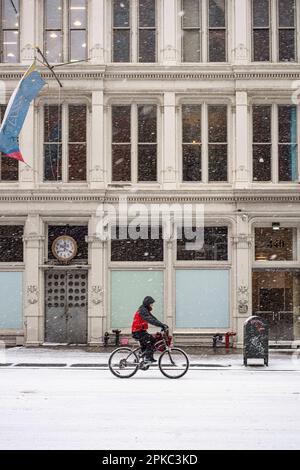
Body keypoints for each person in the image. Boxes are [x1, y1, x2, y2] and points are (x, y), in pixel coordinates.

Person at [131, 296, 168, 363]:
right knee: (150, 340)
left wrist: (162, 325)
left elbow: (153, 318)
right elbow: (150, 320)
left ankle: (143, 357)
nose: (152, 305)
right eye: (151, 303)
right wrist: (161, 325)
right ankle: (147, 358)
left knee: (151, 341)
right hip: (137, 332)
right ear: (147, 303)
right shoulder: (143, 310)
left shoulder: (145, 310)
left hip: (141, 331)